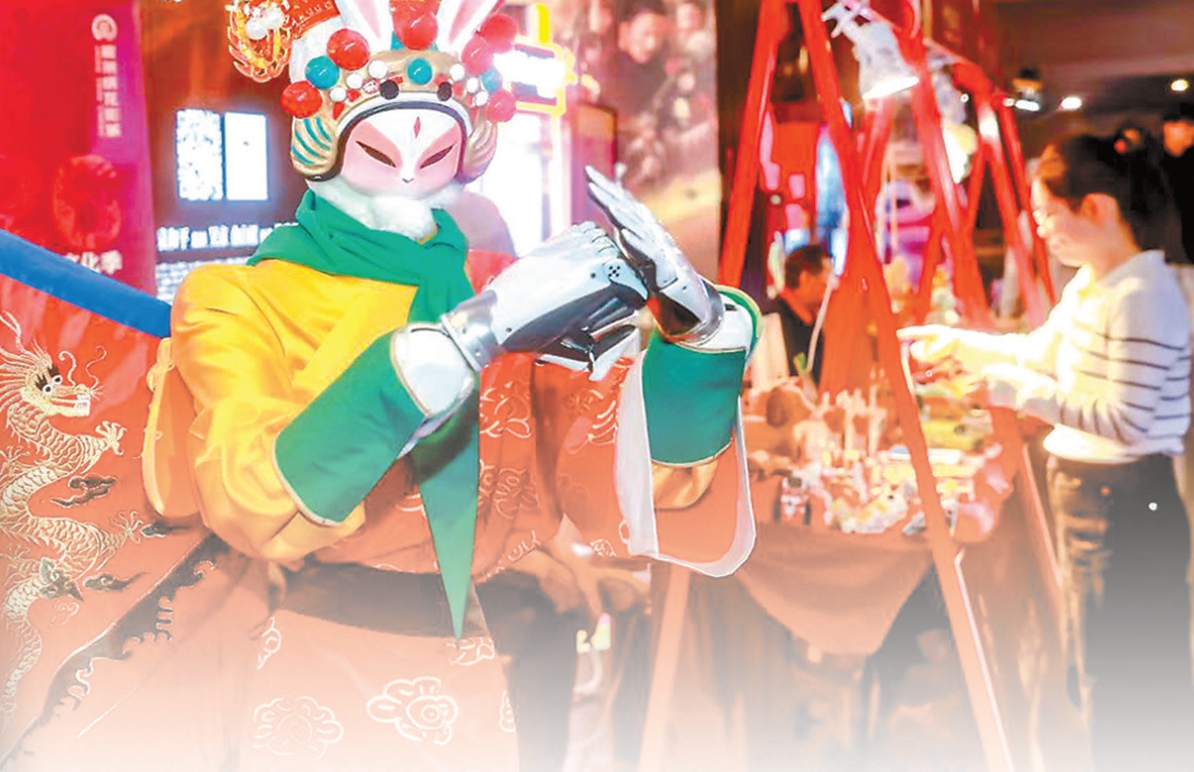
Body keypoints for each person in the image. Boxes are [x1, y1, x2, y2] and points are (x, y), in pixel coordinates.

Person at [8, 0, 760, 769]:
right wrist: (463, 340)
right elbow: (250, 491)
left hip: (478, 665)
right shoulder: (239, 298)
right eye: (382, 127)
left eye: (436, 134)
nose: (410, 155)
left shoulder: (501, 284)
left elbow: (621, 462)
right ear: (326, 130)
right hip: (312, 667)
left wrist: (700, 341)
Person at [900, 132, 1194, 770]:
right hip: (1095, 499)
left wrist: (1017, 392)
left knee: (1127, 678)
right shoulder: (1095, 284)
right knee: (1100, 666)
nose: (1042, 230)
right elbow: (1037, 353)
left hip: (1126, 503)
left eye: (1048, 214)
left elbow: (1129, 421)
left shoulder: (1142, 296)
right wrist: (959, 343)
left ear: (1096, 208)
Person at [772, 242, 832, 384]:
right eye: (827, 277)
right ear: (805, 278)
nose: (830, 285)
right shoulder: (774, 321)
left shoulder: (811, 321)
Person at [1161, 104, 1194, 264]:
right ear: (1168, 127)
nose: (1192, 132)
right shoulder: (1150, 164)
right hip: (1166, 243)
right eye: (1187, 126)